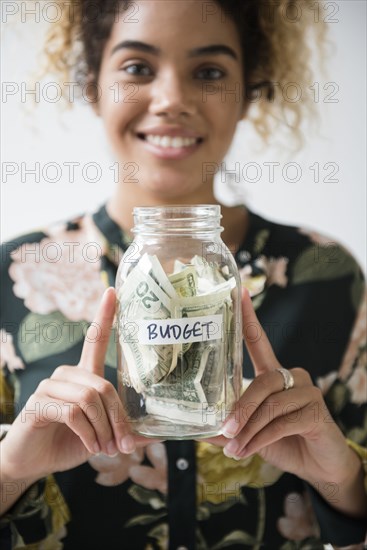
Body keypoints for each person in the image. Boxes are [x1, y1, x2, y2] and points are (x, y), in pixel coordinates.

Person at [1, 1, 366, 548]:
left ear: (249, 91)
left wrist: (343, 480)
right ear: (91, 84)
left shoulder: (327, 274)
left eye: (209, 72)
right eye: (137, 67)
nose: (172, 99)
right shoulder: (13, 275)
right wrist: (10, 473)